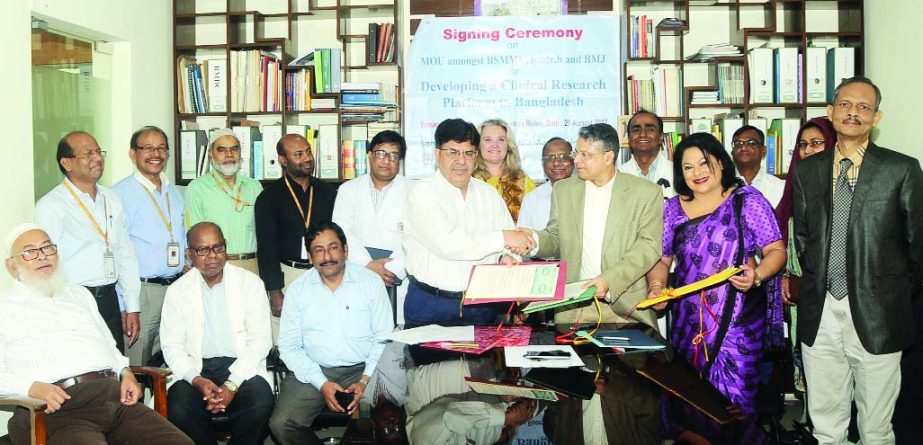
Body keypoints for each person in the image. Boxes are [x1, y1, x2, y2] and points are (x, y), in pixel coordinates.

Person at [792, 76, 923, 444]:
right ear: (830, 112)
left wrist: (890, 292)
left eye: (864, 107)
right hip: (821, 311)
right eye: (846, 104)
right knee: (826, 425)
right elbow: (804, 240)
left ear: (877, 117)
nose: (854, 112)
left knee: (876, 428)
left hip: (880, 314)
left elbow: (918, 248)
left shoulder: (902, 170)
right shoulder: (808, 170)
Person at [647, 132, 786, 443]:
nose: (697, 172)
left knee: (733, 407)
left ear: (721, 163)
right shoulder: (673, 209)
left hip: (737, 324)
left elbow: (776, 250)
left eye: (704, 163)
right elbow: (662, 258)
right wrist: (657, 285)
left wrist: (758, 275)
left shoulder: (746, 200)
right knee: (691, 400)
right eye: (687, 167)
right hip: (688, 324)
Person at [0, 223, 192, 445]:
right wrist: (30, 388)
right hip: (58, 412)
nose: (42, 256)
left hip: (114, 399)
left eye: (47, 248)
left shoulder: (79, 294)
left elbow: (108, 343)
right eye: (30, 252)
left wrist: (124, 370)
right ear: (12, 266)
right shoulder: (5, 307)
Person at [518, 123, 663, 329]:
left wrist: (609, 280)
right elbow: (556, 237)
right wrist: (533, 241)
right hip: (575, 308)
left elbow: (648, 247)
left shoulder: (646, 193)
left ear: (608, 157)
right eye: (577, 152)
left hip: (625, 307)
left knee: (636, 362)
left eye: (585, 155)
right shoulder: (564, 190)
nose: (576, 160)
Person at [270, 222, 393, 445]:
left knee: (388, 421)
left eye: (333, 247)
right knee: (282, 423)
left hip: (366, 369)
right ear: (310, 257)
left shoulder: (370, 283)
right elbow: (289, 346)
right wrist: (322, 383)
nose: (327, 256)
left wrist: (365, 380)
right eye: (319, 250)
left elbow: (384, 338)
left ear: (345, 250)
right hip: (315, 370)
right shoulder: (298, 291)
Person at [402, 118, 531, 326]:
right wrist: (502, 239)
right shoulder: (422, 193)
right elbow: (449, 244)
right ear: (437, 155)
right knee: (429, 361)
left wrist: (505, 256)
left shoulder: (488, 194)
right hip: (432, 305)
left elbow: (510, 240)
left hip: (483, 306)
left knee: (489, 360)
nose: (461, 161)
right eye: (453, 152)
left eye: (468, 153)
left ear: (476, 156)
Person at [160, 222, 274, 445]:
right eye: (203, 250)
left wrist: (231, 385)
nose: (212, 256)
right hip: (196, 368)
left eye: (218, 247)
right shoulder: (177, 291)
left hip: (241, 366)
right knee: (180, 409)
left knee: (260, 404)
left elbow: (261, 341)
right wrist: (197, 380)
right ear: (189, 254)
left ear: (226, 248)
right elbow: (172, 347)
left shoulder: (250, 283)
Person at [35, 131, 140, 353]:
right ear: (66, 163)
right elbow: (46, 265)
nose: (97, 158)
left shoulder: (111, 198)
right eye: (87, 153)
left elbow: (125, 252)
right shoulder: (51, 206)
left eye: (98, 151)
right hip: (73, 301)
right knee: (84, 372)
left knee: (115, 372)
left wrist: (131, 306)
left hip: (110, 298)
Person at [772, 117, 836, 406]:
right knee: (812, 371)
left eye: (816, 143)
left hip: (837, 301)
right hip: (802, 302)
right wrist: (784, 275)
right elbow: (779, 243)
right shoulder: (793, 191)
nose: (808, 151)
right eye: (803, 145)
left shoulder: (843, 190)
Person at [112, 126, 187, 367]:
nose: (156, 153)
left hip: (175, 287)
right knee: (137, 362)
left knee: (168, 359)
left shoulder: (173, 191)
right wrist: (126, 305)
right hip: (142, 292)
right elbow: (116, 253)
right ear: (133, 154)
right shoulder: (119, 195)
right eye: (147, 148)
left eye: (161, 148)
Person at [255, 133, 336, 339]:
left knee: (323, 333)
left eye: (308, 152)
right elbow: (267, 248)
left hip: (324, 273)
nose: (307, 158)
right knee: (287, 339)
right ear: (283, 160)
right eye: (298, 154)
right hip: (289, 275)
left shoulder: (328, 192)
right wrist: (274, 291)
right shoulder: (268, 197)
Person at [333, 130, 409, 323]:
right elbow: (341, 233)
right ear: (369, 155)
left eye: (394, 155)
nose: (387, 161)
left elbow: (417, 236)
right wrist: (368, 265)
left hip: (398, 277)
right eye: (381, 153)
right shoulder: (348, 190)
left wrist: (393, 268)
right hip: (358, 274)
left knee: (397, 342)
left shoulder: (415, 191)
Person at [185, 129, 262, 275]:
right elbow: (194, 235)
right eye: (222, 150)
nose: (229, 155)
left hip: (253, 265)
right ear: (210, 154)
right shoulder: (197, 188)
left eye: (234, 149)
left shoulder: (254, 187)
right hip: (215, 267)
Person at [406, 393, 537, 445]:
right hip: (491, 417)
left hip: (480, 401)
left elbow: (451, 417)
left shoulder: (422, 440)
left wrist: (506, 418)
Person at [471, 118, 536, 222]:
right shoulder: (468, 180)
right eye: (488, 139)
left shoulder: (523, 181)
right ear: (478, 145)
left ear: (508, 145)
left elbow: (535, 220)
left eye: (501, 139)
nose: (495, 145)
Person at [517, 137, 574, 231]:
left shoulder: (586, 193)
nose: (556, 163)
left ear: (573, 161)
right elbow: (525, 238)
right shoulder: (531, 199)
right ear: (543, 164)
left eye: (563, 157)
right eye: (550, 158)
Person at [620, 110, 675, 198]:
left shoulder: (677, 172)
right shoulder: (617, 175)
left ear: (661, 137)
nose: (642, 134)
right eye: (636, 129)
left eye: (650, 129)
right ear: (629, 138)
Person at [731, 126, 785, 208]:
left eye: (752, 143)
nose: (743, 148)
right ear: (732, 152)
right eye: (738, 143)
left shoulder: (780, 188)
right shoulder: (721, 186)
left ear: (763, 151)